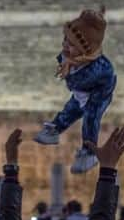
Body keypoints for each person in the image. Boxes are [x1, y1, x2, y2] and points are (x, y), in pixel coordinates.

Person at [33, 9, 117, 175]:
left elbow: (78, 80)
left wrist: (69, 70)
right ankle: (55, 129)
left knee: (91, 119)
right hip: (81, 92)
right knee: (69, 110)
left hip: (98, 96)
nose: (65, 45)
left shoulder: (99, 68)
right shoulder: (69, 60)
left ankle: (89, 152)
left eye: (71, 44)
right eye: (65, 40)